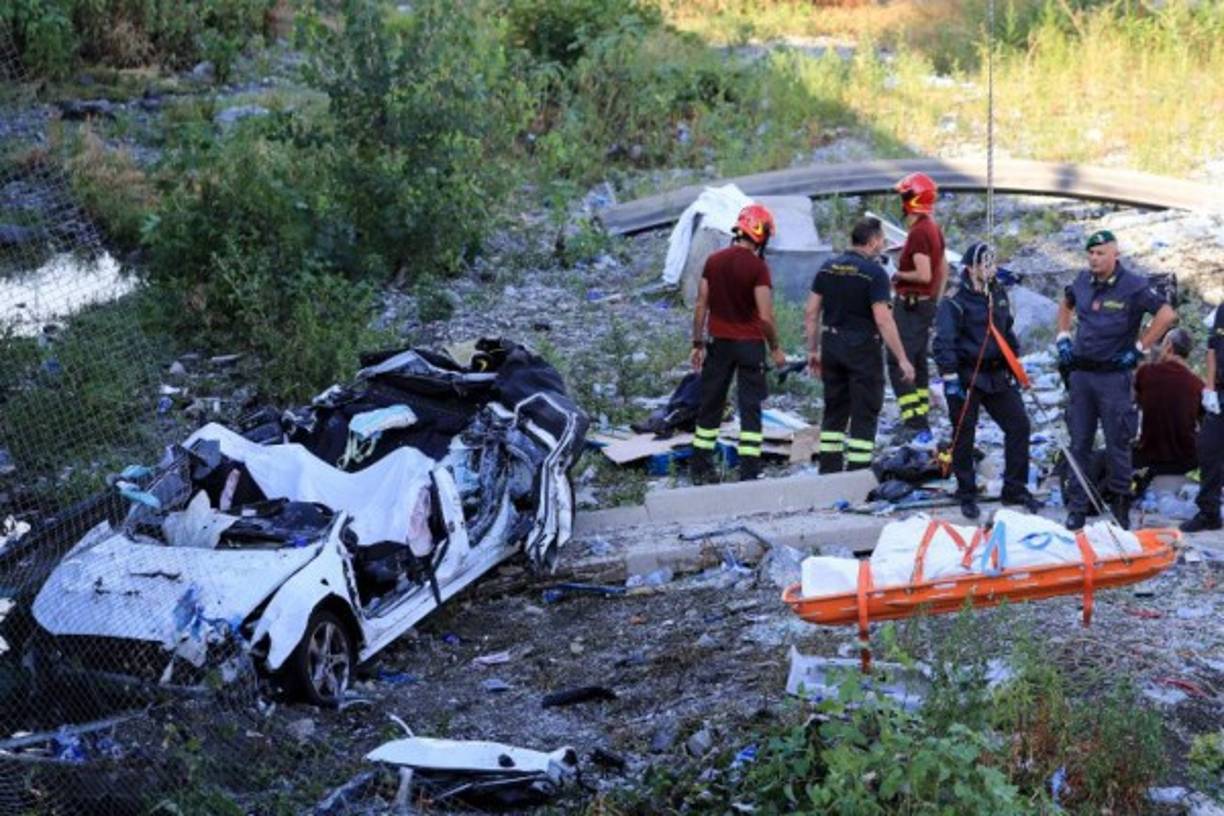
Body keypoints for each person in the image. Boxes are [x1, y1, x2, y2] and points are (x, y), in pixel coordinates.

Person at [1056, 230, 1177, 530]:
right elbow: (1066, 303)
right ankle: (1077, 507)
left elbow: (1166, 315)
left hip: (1113, 377)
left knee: (1117, 445)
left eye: (1100, 254)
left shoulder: (1133, 286)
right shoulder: (1083, 281)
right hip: (1082, 374)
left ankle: (1120, 506)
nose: (1094, 259)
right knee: (1080, 443)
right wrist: (1062, 336)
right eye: (1091, 254)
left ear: (1115, 255)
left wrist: (1140, 347)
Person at [933, 242, 1042, 520]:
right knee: (964, 434)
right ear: (971, 268)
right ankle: (966, 491)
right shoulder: (954, 301)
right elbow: (943, 342)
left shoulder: (997, 293)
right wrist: (950, 377)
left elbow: (1006, 332)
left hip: (996, 375)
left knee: (1019, 425)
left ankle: (1014, 488)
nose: (991, 270)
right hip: (966, 375)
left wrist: (1014, 365)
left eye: (993, 264)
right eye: (986, 265)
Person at [804, 217, 915, 473]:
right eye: (883, 240)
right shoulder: (875, 274)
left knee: (834, 410)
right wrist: (902, 358)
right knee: (864, 412)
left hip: (832, 345)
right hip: (863, 348)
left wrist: (813, 350)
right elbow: (884, 320)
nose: (884, 245)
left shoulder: (827, 268)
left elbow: (811, 313)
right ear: (873, 241)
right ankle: (856, 472)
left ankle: (829, 472)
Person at [689, 203, 787, 483]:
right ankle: (749, 471)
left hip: (718, 343)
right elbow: (765, 317)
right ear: (760, 233)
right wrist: (776, 349)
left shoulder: (714, 260)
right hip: (750, 346)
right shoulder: (758, 268)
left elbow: (700, 306)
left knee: (710, 405)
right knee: (750, 408)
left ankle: (700, 468)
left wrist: (697, 343)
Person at [888, 172, 947, 441]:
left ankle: (913, 421)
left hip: (911, 307)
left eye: (903, 196)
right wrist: (935, 299)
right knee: (919, 362)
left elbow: (923, 274)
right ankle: (920, 414)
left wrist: (898, 274)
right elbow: (942, 268)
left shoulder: (920, 233)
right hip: (923, 306)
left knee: (900, 361)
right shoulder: (932, 228)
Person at [1134, 328, 1202, 477]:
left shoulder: (1146, 372)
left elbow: (1135, 403)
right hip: (1185, 460)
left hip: (1149, 456)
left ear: (1169, 346)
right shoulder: (1198, 385)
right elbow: (1204, 425)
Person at [1182, 306, 1223, 533]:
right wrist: (1209, 388)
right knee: (1208, 447)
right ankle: (1210, 513)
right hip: (1221, 393)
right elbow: (1212, 350)